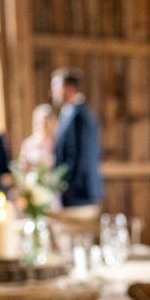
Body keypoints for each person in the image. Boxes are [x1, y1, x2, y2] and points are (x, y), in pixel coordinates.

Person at [51, 68, 103, 206]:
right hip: (72, 192)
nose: (52, 93)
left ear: (66, 87)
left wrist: (67, 186)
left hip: (79, 192)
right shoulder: (68, 113)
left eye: (54, 87)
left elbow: (82, 156)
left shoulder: (81, 115)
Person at [18, 103, 58, 170]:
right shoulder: (28, 144)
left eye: (46, 123)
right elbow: (22, 168)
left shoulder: (57, 142)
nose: (42, 126)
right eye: (39, 122)